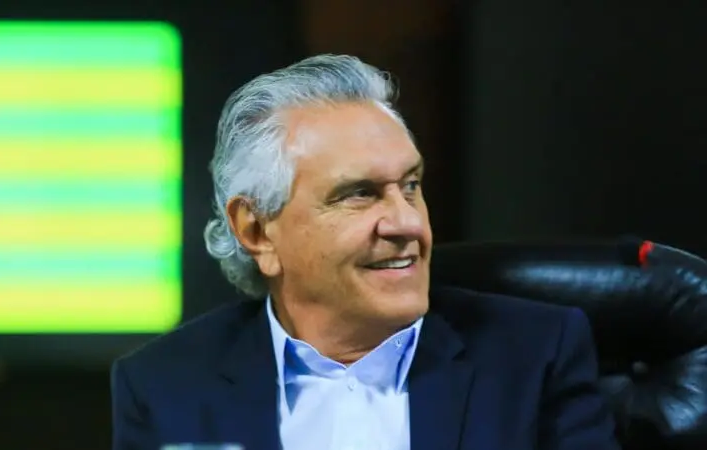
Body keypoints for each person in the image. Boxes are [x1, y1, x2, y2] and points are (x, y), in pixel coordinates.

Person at [111, 54, 620, 450]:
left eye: (411, 186)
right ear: (257, 231)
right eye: (359, 194)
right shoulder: (165, 384)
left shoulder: (535, 356)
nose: (408, 223)